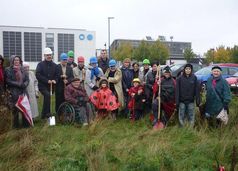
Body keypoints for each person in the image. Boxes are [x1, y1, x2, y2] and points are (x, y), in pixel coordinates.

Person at [5, 55, 29, 128]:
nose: (16, 61)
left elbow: (27, 80)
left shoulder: (23, 69)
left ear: (20, 61)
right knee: (15, 109)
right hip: (14, 92)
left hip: (23, 91)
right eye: (15, 60)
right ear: (12, 61)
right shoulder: (8, 70)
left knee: (24, 108)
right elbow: (8, 80)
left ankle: (25, 124)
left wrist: (24, 84)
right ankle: (16, 125)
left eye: (18, 60)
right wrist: (18, 84)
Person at [36, 47, 58, 119]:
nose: (49, 56)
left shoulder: (55, 65)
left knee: (47, 98)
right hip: (42, 85)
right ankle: (48, 114)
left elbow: (57, 75)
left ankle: (44, 115)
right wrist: (47, 80)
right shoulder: (40, 64)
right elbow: (38, 74)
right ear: (44, 56)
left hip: (51, 86)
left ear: (52, 55)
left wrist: (55, 80)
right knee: (47, 96)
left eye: (50, 55)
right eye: (47, 55)